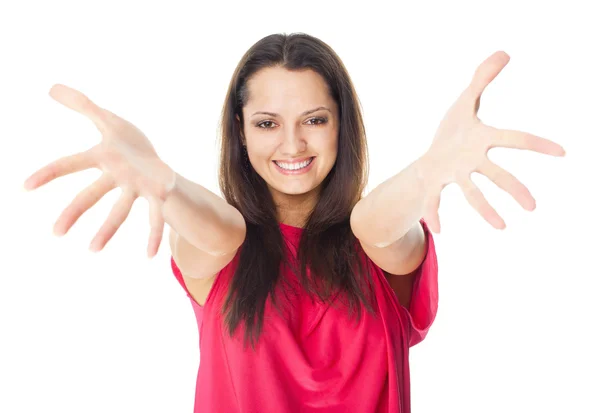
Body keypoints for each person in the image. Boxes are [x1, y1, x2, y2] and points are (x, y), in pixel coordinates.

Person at [23, 33, 565, 412]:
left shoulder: (382, 242)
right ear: (240, 132)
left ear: (341, 127)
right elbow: (218, 230)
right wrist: (165, 183)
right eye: (266, 123)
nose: (292, 145)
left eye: (314, 120)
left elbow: (375, 225)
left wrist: (428, 172)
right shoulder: (217, 245)